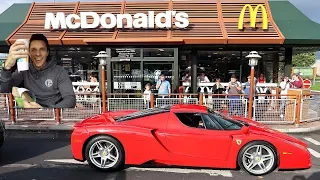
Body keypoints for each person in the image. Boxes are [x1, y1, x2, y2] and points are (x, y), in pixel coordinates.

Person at [0, 33, 76, 108]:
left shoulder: (59, 71)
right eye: (33, 50)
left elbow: (70, 100)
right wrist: (6, 67)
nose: (38, 54)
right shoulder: (24, 70)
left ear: (47, 52)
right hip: (29, 116)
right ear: (29, 53)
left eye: (42, 49)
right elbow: (5, 91)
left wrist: (43, 111)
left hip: (53, 117)